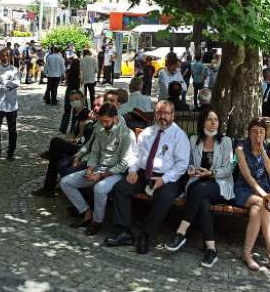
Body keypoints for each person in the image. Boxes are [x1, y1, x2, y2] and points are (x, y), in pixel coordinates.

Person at [104, 101, 189, 254]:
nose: (162, 116)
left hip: (167, 177)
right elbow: (135, 154)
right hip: (143, 174)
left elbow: (182, 165)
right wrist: (133, 170)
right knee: (121, 188)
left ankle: (146, 235)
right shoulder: (147, 132)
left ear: (173, 115)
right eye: (158, 113)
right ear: (154, 114)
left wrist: (164, 179)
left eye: (166, 113)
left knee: (164, 197)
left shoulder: (179, 136)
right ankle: (124, 233)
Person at [164, 108, 234, 268]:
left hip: (220, 185)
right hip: (197, 183)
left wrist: (211, 172)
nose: (213, 122)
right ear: (203, 121)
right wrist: (190, 169)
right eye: (209, 119)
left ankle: (181, 232)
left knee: (200, 190)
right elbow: (188, 162)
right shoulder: (194, 140)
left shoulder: (226, 141)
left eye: (216, 119)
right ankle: (211, 249)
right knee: (203, 203)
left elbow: (230, 168)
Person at [61, 103, 133, 236]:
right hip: (99, 167)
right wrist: (90, 168)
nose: (104, 124)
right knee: (66, 182)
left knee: (99, 188)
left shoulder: (127, 134)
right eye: (102, 121)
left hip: (116, 172)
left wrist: (101, 176)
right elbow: (94, 152)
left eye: (106, 121)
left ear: (115, 118)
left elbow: (124, 164)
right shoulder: (100, 128)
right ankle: (86, 212)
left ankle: (97, 221)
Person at [232, 118, 270, 271]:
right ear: (249, 133)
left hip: (263, 193)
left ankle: (247, 254)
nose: (257, 135)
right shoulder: (240, 149)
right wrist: (265, 196)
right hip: (244, 190)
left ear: (265, 134)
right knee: (263, 204)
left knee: (257, 210)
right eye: (254, 131)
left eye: (261, 132)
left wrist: (262, 150)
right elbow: (248, 177)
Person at [33, 91, 94, 196]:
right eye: (71, 100)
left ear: (83, 99)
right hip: (75, 145)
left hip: (80, 148)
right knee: (55, 155)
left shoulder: (85, 113)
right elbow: (72, 134)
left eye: (76, 99)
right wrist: (68, 140)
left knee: (55, 142)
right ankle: (48, 188)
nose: (74, 102)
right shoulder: (76, 113)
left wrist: (69, 141)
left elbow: (81, 137)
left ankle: (48, 187)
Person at [0, 49, 20, 161]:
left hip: (11, 105)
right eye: (2, 55)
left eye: (7, 55)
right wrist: (9, 84)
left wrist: (4, 84)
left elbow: (17, 83)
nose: (5, 57)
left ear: (11, 57)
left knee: (12, 130)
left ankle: (11, 152)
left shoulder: (14, 69)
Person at [60, 56, 82, 134]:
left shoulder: (68, 72)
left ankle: (63, 128)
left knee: (67, 111)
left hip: (69, 91)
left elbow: (66, 82)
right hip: (76, 92)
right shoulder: (79, 73)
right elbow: (81, 83)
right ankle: (73, 129)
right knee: (75, 113)